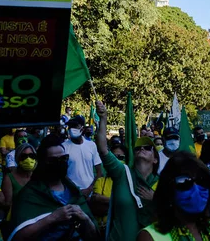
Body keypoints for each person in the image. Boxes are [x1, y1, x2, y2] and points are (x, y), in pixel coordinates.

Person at [9, 135, 98, 241]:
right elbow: (17, 237)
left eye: (63, 158)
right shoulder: (29, 195)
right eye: (53, 160)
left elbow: (94, 235)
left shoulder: (75, 193)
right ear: (43, 163)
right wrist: (53, 218)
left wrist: (85, 219)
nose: (59, 163)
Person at [95, 101, 159, 241]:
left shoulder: (164, 182)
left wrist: (156, 200)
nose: (141, 149)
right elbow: (102, 149)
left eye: (148, 148)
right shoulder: (122, 173)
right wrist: (103, 118)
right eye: (138, 148)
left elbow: (175, 216)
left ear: (155, 160)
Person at [137, 151, 210, 241]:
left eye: (202, 181)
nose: (196, 189)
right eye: (184, 182)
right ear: (168, 190)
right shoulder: (150, 237)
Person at [89, 143, 127, 228]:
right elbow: (96, 205)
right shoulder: (100, 181)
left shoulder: (130, 182)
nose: (116, 160)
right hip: (102, 228)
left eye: (120, 157)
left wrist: (104, 200)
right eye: (113, 157)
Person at [63, 116, 102, 196]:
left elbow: (99, 171)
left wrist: (90, 189)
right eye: (70, 127)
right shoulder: (63, 147)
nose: (71, 129)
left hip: (90, 193)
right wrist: (75, 189)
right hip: (71, 193)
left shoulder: (91, 145)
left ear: (82, 128)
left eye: (75, 126)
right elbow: (61, 173)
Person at [1, 143, 36, 220]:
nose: (28, 159)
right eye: (24, 156)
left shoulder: (38, 176)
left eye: (31, 156)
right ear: (17, 158)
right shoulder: (9, 178)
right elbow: (7, 204)